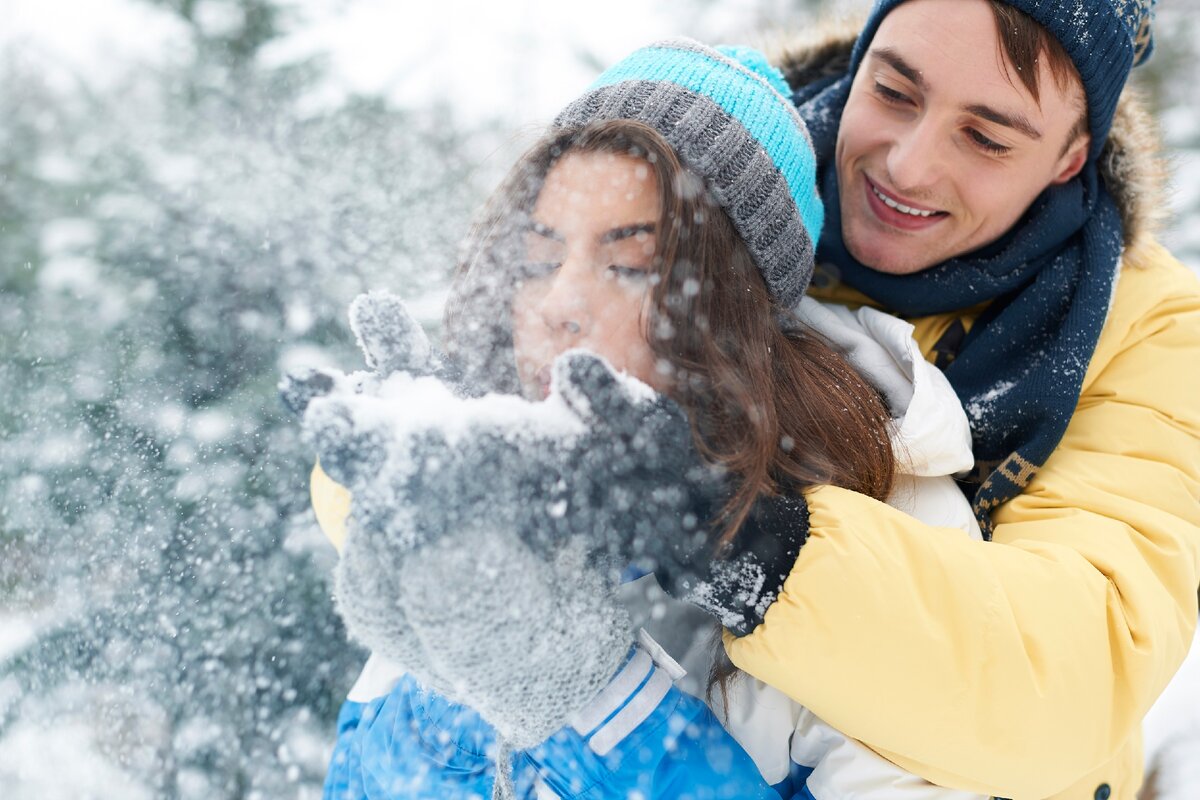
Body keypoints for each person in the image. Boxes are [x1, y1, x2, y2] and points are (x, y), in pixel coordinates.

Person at [291, 39, 987, 799]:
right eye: (536, 260)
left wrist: (592, 702)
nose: (559, 306)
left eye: (629, 266)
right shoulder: (487, 493)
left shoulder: (886, 541)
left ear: (734, 309)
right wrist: (435, 681)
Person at [706, 1, 1197, 798]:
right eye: (894, 92)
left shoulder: (1147, 328)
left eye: (986, 138)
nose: (907, 165)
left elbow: (1071, 677)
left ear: (1072, 155)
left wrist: (749, 543)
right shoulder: (706, 198)